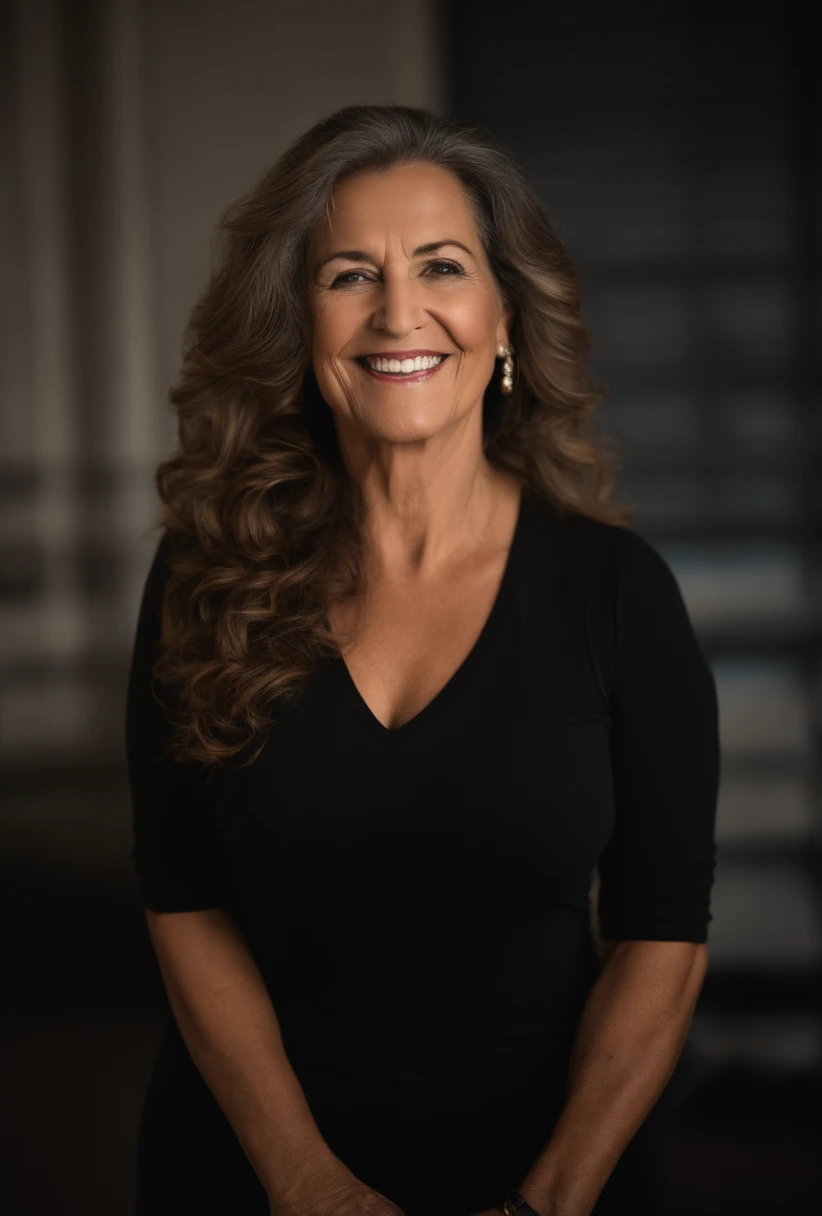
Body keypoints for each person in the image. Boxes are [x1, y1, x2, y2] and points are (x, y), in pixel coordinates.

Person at [125, 104, 720, 1216]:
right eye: (349, 273)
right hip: (247, 1174)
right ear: (296, 323)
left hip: (554, 1173)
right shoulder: (203, 579)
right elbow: (183, 901)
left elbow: (662, 933)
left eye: (440, 266)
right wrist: (304, 1182)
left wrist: (550, 1197)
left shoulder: (618, 593)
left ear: (501, 316)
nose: (399, 311)